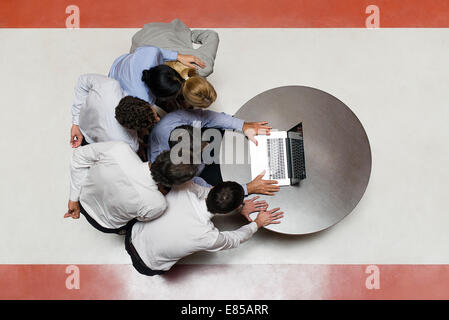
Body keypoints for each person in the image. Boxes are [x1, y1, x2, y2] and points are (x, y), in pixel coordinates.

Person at [125, 181, 283, 275]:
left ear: (213, 188)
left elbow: (203, 191)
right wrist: (258, 223)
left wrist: (236, 205)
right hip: (147, 266)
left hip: (132, 235)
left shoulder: (184, 186)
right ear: (228, 212)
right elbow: (235, 239)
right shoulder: (208, 236)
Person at [64, 141, 199, 234]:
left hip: (83, 198)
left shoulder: (119, 149)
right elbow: (140, 219)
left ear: (161, 155)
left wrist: (73, 199)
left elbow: (78, 157)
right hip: (105, 224)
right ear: (174, 184)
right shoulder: (157, 205)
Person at [148, 110, 280, 196]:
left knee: (226, 131)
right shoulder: (176, 174)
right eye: (202, 148)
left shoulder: (172, 120)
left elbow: (205, 117)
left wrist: (243, 125)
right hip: (200, 177)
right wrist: (248, 188)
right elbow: (210, 193)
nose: (208, 146)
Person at [129, 19, 219, 111]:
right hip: (142, 40)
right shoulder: (155, 77)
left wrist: (188, 35)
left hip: (171, 31)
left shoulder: (204, 64)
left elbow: (212, 35)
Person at [69, 74, 160, 155]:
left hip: (84, 123)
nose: (158, 119)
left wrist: (75, 123)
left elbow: (82, 82)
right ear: (134, 128)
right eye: (156, 117)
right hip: (93, 145)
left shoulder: (109, 86)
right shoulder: (129, 145)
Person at [109, 44, 205, 111]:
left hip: (120, 63)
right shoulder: (143, 100)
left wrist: (179, 56)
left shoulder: (152, 52)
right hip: (114, 80)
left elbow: (159, 52)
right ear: (159, 96)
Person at [130, 19, 219, 77]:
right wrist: (188, 35)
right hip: (163, 33)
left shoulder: (204, 66)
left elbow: (212, 35)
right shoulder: (204, 67)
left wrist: (188, 35)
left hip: (147, 37)